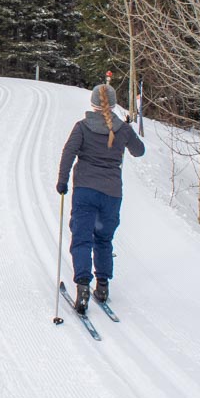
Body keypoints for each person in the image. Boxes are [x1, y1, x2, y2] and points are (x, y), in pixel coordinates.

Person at [56, 83, 145, 314]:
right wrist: (126, 130)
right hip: (111, 194)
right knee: (104, 239)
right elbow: (139, 151)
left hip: (85, 190)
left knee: (82, 238)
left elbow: (68, 153)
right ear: (114, 105)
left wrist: (62, 181)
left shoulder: (83, 127)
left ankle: (83, 287)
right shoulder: (122, 129)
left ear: (92, 104)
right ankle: (103, 286)